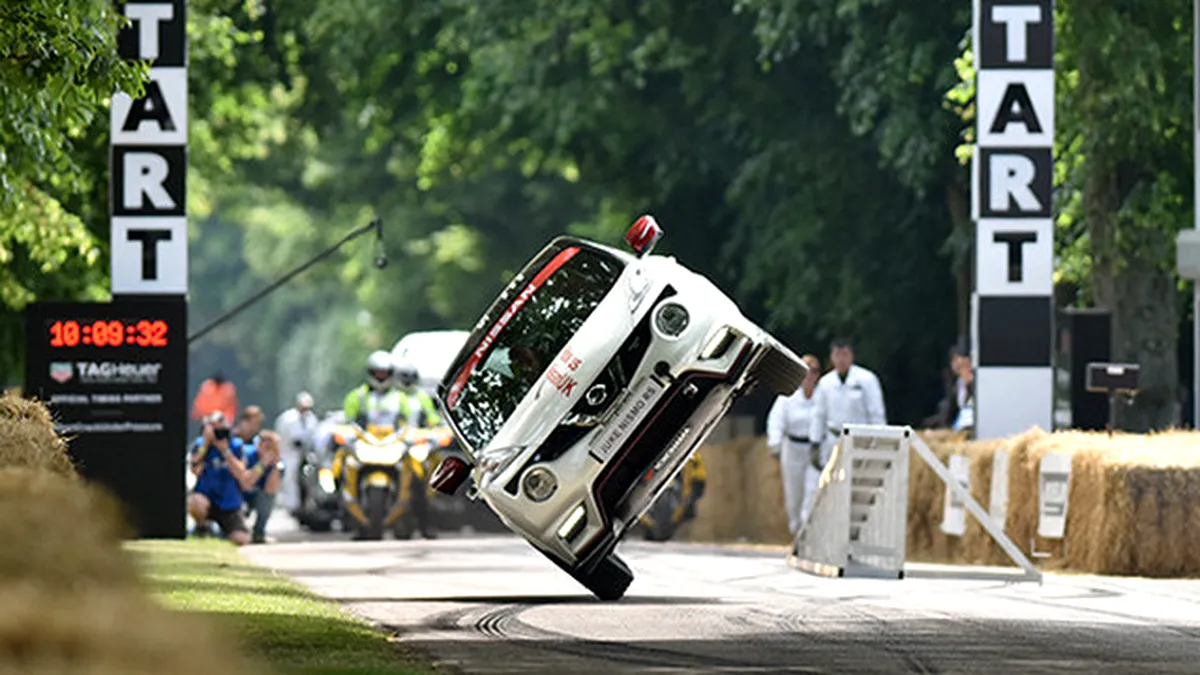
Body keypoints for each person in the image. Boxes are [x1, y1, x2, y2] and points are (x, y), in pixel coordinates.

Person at [807, 337, 887, 520]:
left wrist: (880, 439)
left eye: (845, 354)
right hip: (833, 439)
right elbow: (818, 414)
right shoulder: (826, 383)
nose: (841, 359)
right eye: (837, 355)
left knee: (859, 486)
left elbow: (876, 412)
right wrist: (814, 442)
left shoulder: (866, 380)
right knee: (832, 485)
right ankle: (833, 523)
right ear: (832, 358)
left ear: (851, 355)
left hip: (861, 440)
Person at [765, 353, 823, 536]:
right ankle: (796, 529)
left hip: (815, 449)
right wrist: (774, 443)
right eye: (806, 372)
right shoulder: (787, 398)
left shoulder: (824, 396)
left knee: (813, 491)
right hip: (793, 448)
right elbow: (776, 421)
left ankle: (809, 533)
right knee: (794, 493)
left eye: (813, 371)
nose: (809, 376)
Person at [187, 412, 257, 545]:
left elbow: (240, 472)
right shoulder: (201, 444)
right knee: (195, 502)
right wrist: (206, 443)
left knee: (241, 539)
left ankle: (219, 533)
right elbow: (194, 469)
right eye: (215, 428)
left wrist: (225, 450)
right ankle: (202, 527)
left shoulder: (236, 445)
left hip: (229, 502)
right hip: (206, 497)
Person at [275, 392, 319, 514]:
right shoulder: (288, 418)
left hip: (306, 454)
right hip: (289, 453)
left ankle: (308, 503)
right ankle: (291, 506)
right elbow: (286, 437)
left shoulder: (311, 418)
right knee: (289, 478)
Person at [242, 430, 284, 544]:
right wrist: (262, 464)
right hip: (241, 495)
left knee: (268, 498)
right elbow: (247, 483)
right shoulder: (247, 454)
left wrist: (275, 465)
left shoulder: (279, 463)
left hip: (259, 495)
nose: (269, 451)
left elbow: (271, 489)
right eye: (267, 447)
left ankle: (259, 532)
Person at [343, 351, 404, 429]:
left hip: (395, 439)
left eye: (384, 373)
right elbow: (348, 423)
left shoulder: (400, 397)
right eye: (378, 373)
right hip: (362, 439)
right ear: (370, 372)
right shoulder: (357, 396)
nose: (381, 377)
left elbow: (409, 424)